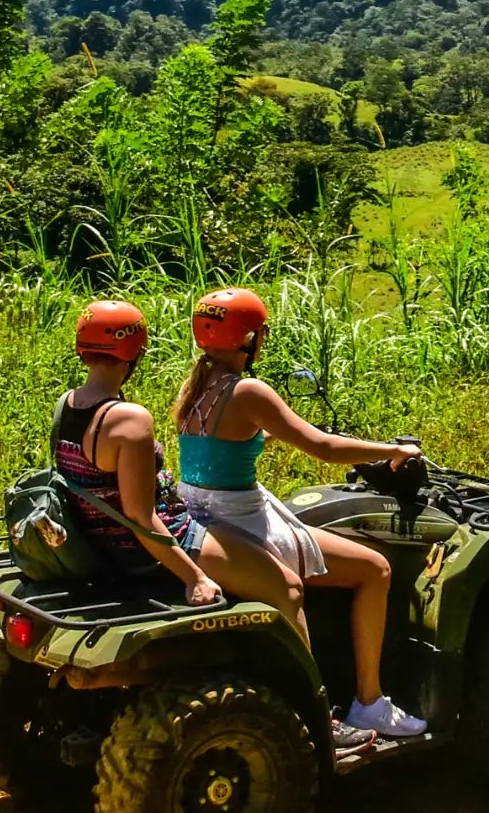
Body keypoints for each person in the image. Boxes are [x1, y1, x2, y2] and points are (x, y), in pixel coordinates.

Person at [172, 288, 428, 739]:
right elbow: (324, 448)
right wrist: (394, 448)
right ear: (246, 339)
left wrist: (268, 436)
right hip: (240, 518)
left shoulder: (196, 386)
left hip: (200, 514)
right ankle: (353, 706)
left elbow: (220, 447)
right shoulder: (247, 390)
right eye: (261, 333)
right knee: (374, 569)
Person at [52, 300, 296, 616]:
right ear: (135, 352)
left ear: (81, 348)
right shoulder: (129, 420)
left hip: (98, 542)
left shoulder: (66, 403)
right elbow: (140, 516)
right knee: (288, 588)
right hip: (153, 544)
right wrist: (195, 578)